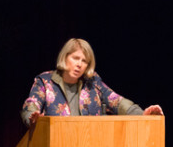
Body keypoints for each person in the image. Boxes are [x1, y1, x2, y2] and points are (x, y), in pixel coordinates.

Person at [21, 38, 163, 127]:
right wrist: (32, 116)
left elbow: (118, 102)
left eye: (84, 61)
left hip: (89, 146)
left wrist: (142, 113)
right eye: (75, 58)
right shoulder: (45, 81)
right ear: (65, 57)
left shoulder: (93, 82)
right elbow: (31, 105)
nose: (79, 65)